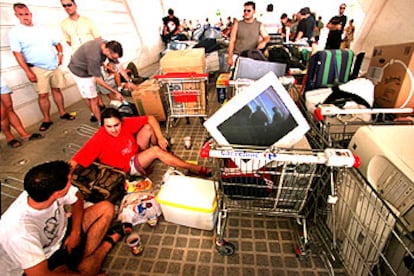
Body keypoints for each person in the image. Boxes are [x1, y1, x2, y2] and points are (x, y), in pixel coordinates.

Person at [0, 160, 122, 276]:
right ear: (57, 193)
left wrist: (75, 232)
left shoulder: (43, 190)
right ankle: (106, 246)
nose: (71, 183)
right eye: (69, 181)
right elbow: (41, 274)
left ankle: (83, 259)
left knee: (106, 208)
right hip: (46, 257)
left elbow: (77, 198)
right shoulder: (18, 231)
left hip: (63, 233)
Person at [70, 108, 212, 178]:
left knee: (148, 127)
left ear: (121, 121)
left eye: (116, 125)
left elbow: (150, 118)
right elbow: (76, 159)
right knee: (155, 151)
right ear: (102, 126)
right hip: (126, 167)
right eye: (109, 126)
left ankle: (160, 153)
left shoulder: (125, 123)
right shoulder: (99, 138)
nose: (113, 130)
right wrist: (66, 179)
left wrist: (161, 137)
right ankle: (193, 167)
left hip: (135, 152)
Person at [8, 3, 75, 132]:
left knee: (57, 90)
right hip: (37, 68)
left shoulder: (42, 29)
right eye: (21, 15)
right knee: (43, 95)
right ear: (16, 15)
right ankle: (46, 119)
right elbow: (17, 53)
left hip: (53, 65)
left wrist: (60, 55)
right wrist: (28, 72)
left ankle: (62, 113)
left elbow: (57, 43)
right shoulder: (15, 32)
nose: (25, 17)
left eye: (26, 14)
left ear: (30, 14)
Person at [60, 0, 109, 122]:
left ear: (75, 5)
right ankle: (95, 112)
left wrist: (101, 59)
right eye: (64, 6)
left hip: (94, 58)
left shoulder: (87, 20)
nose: (67, 7)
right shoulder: (63, 24)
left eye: (69, 4)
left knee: (101, 84)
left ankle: (106, 105)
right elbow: (68, 41)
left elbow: (98, 38)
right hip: (79, 62)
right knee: (88, 91)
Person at [68, 39, 136, 124]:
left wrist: (129, 81)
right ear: (107, 51)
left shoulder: (109, 46)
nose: (114, 59)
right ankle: (101, 123)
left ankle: (96, 113)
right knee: (93, 98)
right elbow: (98, 80)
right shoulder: (93, 57)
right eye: (113, 57)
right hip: (80, 72)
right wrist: (115, 92)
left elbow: (119, 66)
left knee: (96, 94)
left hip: (90, 66)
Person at [1, 76, 43, 148]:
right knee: (1, 113)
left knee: (9, 107)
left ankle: (24, 134)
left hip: (1, 84)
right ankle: (9, 137)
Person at [227, 1, 270, 67]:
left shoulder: (259, 25)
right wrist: (230, 57)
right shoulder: (237, 24)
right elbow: (232, 41)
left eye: (249, 10)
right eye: (245, 10)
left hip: (252, 57)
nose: (246, 12)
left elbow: (267, 37)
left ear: (254, 11)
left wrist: (264, 42)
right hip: (238, 56)